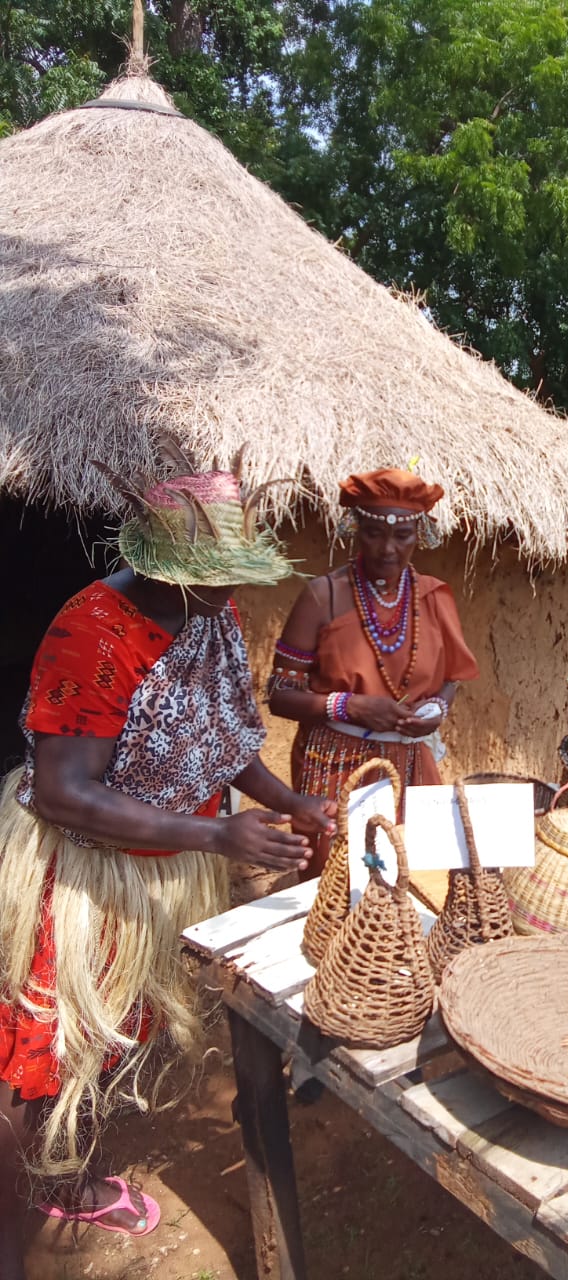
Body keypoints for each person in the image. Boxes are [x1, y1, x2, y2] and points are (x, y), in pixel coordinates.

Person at [0, 460, 335, 1280]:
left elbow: (222, 739)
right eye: (210, 580)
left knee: (101, 1044)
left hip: (159, 867)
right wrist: (219, 838)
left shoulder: (207, 609)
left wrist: (293, 802)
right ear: (155, 565)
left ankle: (66, 1179)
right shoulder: (92, 631)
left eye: (232, 579)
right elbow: (63, 792)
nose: (228, 596)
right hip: (82, 876)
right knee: (33, 1053)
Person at [269, 468, 479, 861]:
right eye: (374, 533)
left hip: (414, 764)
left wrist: (438, 709)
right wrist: (350, 706)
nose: (387, 549)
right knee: (336, 880)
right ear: (355, 528)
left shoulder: (434, 598)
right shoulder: (323, 597)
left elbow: (451, 679)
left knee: (411, 876)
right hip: (335, 766)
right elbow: (279, 696)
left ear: (421, 535)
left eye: (403, 536)